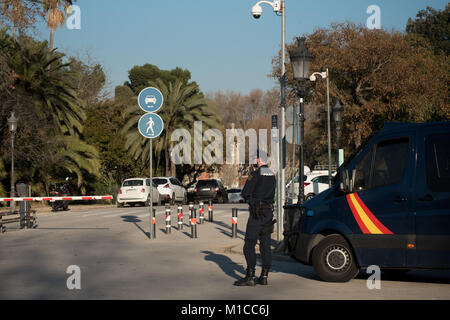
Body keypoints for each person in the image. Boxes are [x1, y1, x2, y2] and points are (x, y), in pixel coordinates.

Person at [234, 150, 276, 286]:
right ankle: (264, 276)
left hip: (257, 212)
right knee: (265, 245)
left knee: (249, 244)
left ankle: (250, 275)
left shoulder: (255, 174)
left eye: (254, 158)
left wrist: (249, 199)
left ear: (259, 160)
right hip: (268, 212)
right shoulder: (272, 174)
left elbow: (245, 192)